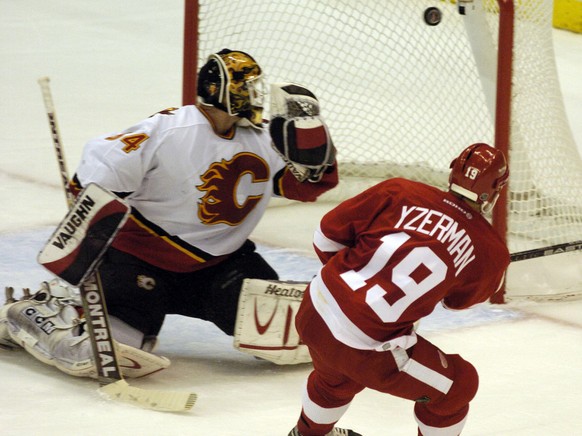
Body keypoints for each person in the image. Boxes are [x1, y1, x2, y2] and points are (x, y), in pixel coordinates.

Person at [0, 49, 338, 378]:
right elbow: (95, 173)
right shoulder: (170, 130)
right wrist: (89, 229)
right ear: (221, 90)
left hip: (224, 268)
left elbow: (309, 188)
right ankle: (33, 313)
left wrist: (308, 138)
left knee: (295, 336)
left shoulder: (265, 136)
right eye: (247, 85)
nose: (255, 93)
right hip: (140, 265)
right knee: (111, 354)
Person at [288, 143, 510, 436]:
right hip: (364, 346)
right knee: (459, 386)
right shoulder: (491, 250)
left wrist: (357, 284)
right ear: (494, 191)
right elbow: (456, 303)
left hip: (314, 309)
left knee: (337, 378)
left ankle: (308, 433)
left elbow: (326, 238)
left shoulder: (400, 190)